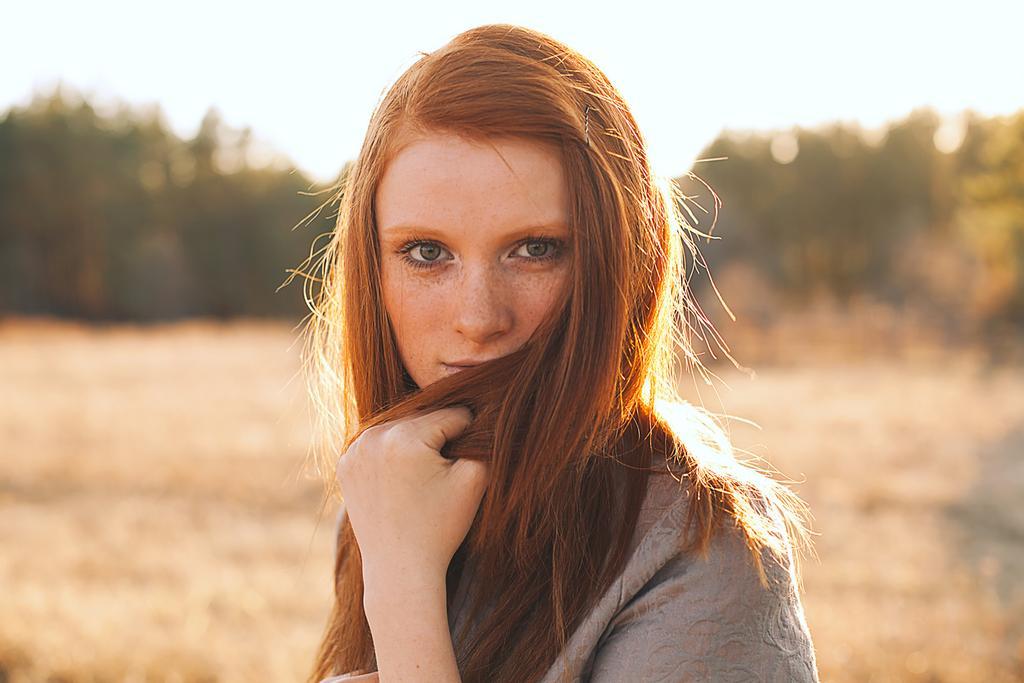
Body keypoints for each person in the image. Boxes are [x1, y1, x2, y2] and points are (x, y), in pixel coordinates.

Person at [295, 22, 820, 683]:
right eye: (426, 253)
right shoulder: (390, 494)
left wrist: (402, 594)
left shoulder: (703, 548)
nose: (479, 317)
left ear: (619, 263)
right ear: (373, 271)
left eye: (536, 248)